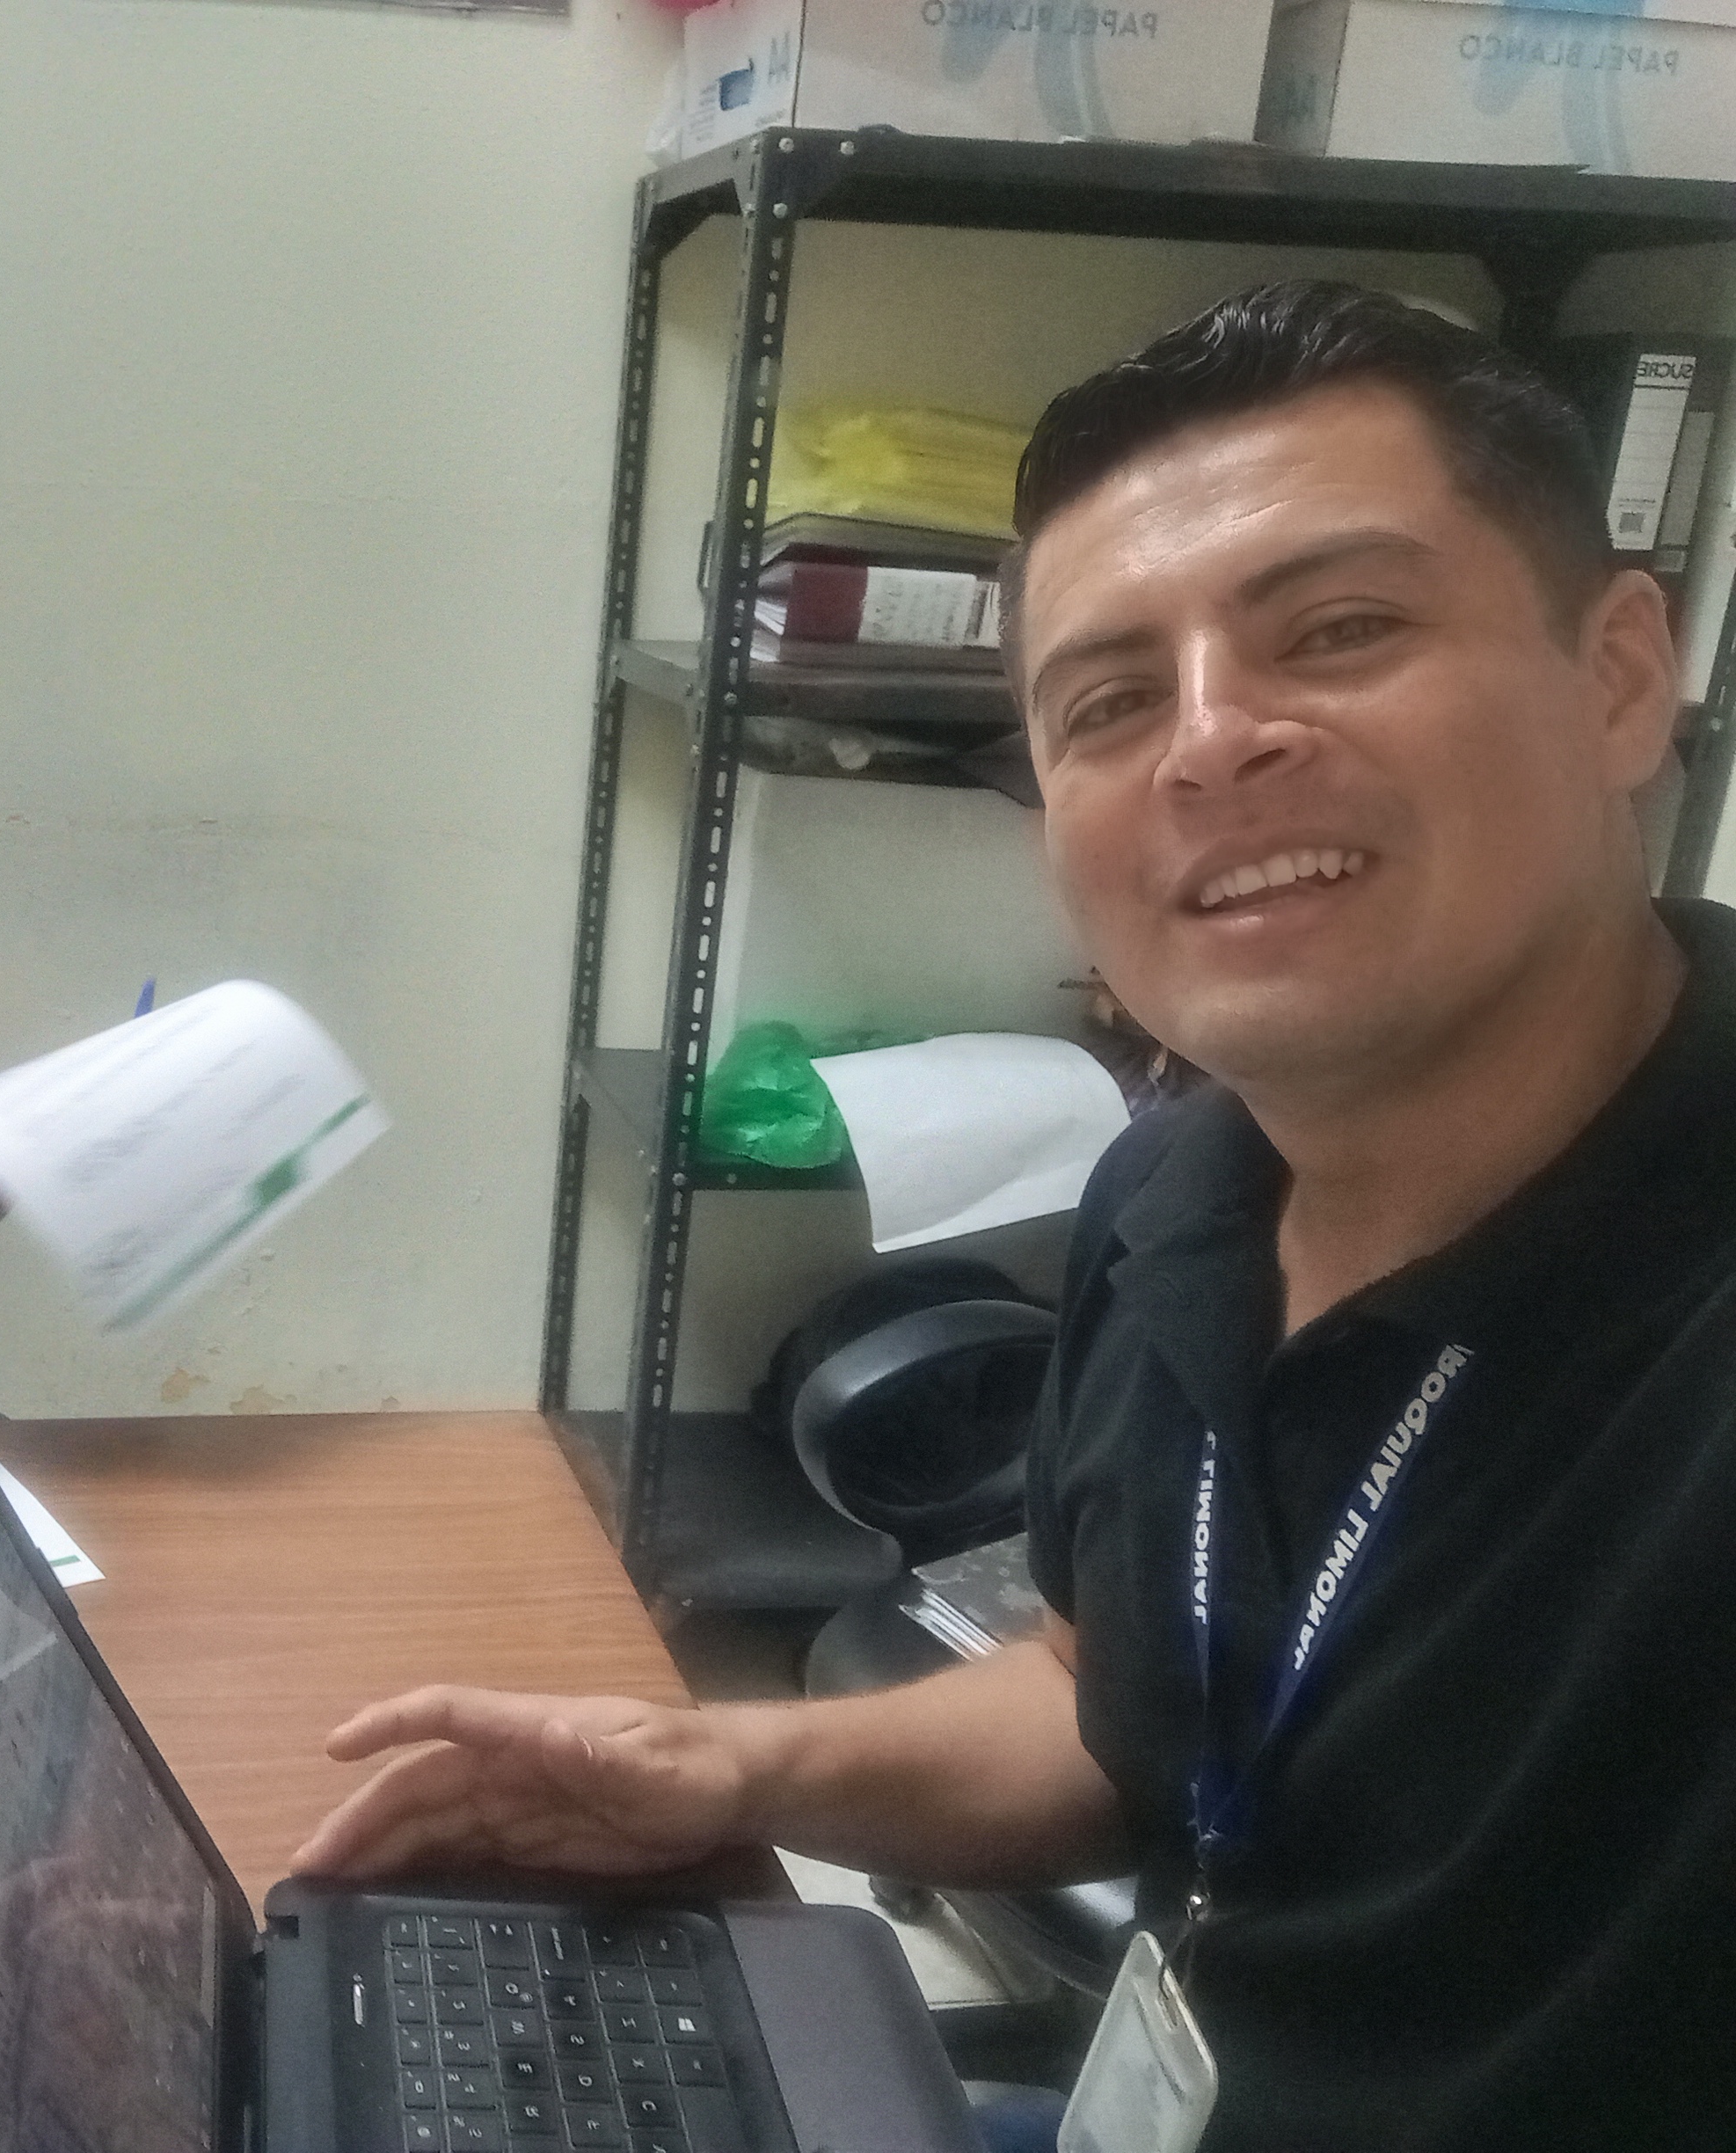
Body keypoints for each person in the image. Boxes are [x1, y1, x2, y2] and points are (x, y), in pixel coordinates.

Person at [294, 281, 1736, 2150]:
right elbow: (1100, 1703)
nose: (1210, 742)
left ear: (1617, 677)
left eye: (1339, 628)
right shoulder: (1173, 1191)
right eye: (1110, 703)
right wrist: (717, 1764)